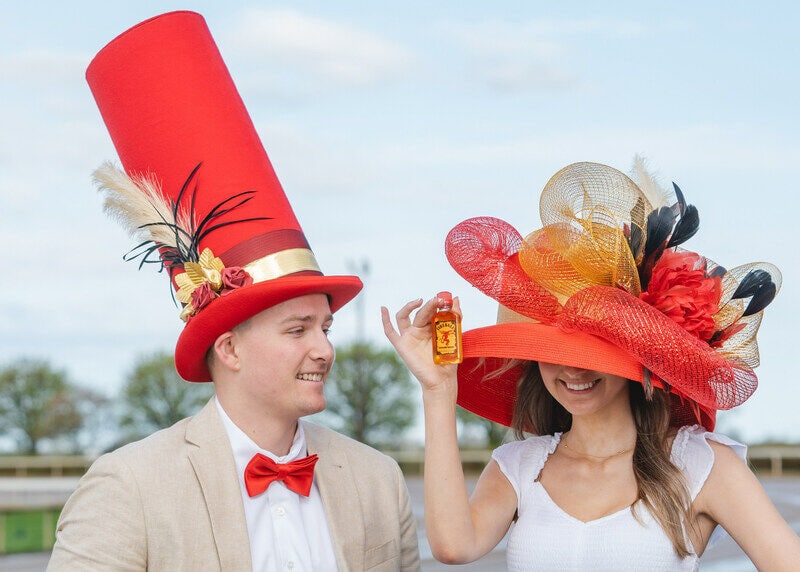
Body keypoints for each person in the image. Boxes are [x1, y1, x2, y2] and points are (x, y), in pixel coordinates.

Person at [49, 11, 419, 572]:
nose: (324, 349)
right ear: (229, 348)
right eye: (297, 330)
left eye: (325, 327)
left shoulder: (377, 478)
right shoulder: (129, 487)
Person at [382, 160, 800, 570]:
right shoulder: (519, 466)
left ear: (633, 356)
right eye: (554, 353)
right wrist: (438, 393)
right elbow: (454, 547)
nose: (573, 371)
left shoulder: (702, 465)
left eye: (592, 352)